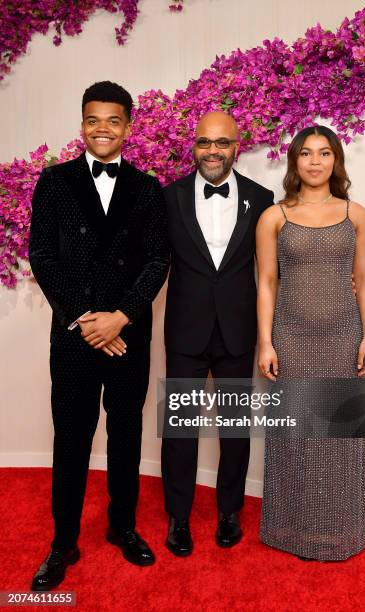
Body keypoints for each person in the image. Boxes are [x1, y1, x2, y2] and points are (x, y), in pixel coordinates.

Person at [29, 81, 169, 590]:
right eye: (93, 119)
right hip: (74, 335)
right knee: (71, 438)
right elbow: (41, 254)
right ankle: (62, 543)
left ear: (129, 127)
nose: (102, 128)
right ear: (81, 124)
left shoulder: (147, 187)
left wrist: (120, 318)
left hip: (127, 335)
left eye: (113, 120)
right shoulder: (55, 181)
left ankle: (123, 527)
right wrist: (87, 319)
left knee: (126, 435)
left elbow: (158, 260)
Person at [256, 125, 365, 561]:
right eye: (305, 153)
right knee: (293, 437)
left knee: (338, 434)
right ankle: (289, 531)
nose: (314, 161)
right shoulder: (274, 217)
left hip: (343, 337)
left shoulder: (355, 213)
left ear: (335, 160)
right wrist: (265, 343)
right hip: (291, 338)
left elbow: (364, 281)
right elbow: (267, 283)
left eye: (324, 153)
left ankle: (339, 533)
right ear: (294, 161)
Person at [161, 111, 274, 556]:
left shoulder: (261, 198)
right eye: (205, 142)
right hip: (185, 331)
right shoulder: (167, 197)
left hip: (238, 331)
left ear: (236, 145)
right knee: (181, 430)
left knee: (235, 429)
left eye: (222, 142)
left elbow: (272, 269)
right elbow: (150, 261)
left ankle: (229, 512)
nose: (213, 150)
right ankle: (178, 517)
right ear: (194, 146)